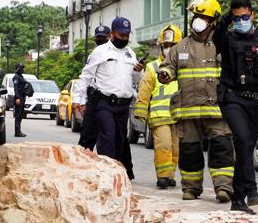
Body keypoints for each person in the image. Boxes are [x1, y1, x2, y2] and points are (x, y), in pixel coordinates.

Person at [157, 0, 235, 203]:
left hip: (216, 109)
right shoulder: (180, 47)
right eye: (196, 16)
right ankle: (191, 189)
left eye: (203, 17)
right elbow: (167, 66)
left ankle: (224, 188)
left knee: (221, 149)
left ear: (214, 22)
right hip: (188, 110)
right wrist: (164, 73)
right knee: (190, 152)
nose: (198, 20)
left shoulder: (222, 46)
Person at [213, 0, 258, 214]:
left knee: (247, 147)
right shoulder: (229, 39)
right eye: (237, 18)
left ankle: (241, 197)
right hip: (233, 99)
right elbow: (216, 38)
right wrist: (225, 20)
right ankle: (248, 192)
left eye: (245, 17)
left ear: (252, 15)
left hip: (256, 101)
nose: (242, 21)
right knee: (242, 140)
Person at [72, 17, 144, 180]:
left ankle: (117, 173)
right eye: (121, 35)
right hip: (104, 103)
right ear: (112, 33)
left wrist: (138, 71)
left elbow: (136, 80)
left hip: (123, 106)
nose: (124, 38)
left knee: (120, 140)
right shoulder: (100, 52)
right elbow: (86, 76)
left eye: (127, 35)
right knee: (107, 136)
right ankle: (105, 174)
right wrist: (79, 99)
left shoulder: (130, 53)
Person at [135, 24, 182, 189]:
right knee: (164, 145)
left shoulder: (184, 66)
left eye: (172, 45)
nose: (169, 49)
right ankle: (162, 177)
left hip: (178, 116)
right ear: (161, 46)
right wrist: (141, 111)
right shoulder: (153, 67)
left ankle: (170, 175)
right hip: (159, 115)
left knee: (175, 149)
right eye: (166, 45)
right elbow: (144, 90)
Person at [78, 25, 111, 150]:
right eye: (99, 38)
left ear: (110, 36)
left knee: (108, 141)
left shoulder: (118, 53)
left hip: (109, 101)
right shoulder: (93, 55)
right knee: (86, 140)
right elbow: (87, 79)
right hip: (93, 99)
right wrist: (82, 101)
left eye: (104, 37)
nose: (101, 40)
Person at [12, 63, 27, 137]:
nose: (22, 69)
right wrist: (17, 98)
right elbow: (16, 88)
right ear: (17, 68)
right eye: (21, 68)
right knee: (18, 115)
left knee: (21, 115)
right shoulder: (16, 77)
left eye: (22, 68)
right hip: (19, 97)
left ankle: (18, 131)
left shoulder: (21, 76)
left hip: (22, 97)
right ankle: (17, 132)